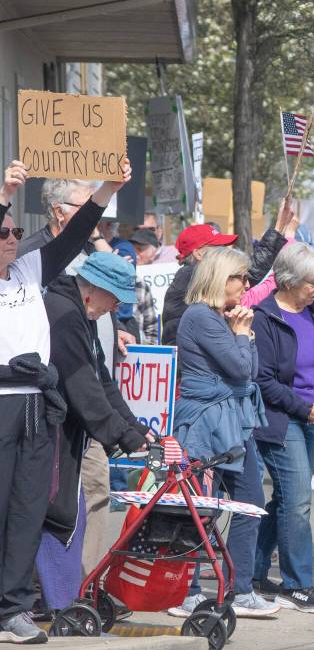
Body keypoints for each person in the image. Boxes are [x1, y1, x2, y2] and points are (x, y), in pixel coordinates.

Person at [0, 158, 129, 645]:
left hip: (37, 405)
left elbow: (75, 236)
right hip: (1, 398)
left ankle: (12, 608)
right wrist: (7, 193)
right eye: (3, 230)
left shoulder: (30, 270)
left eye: (15, 231)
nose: (13, 237)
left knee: (28, 509)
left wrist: (109, 188)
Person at [36, 252, 153, 613]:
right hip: (48, 429)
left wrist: (135, 429)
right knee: (59, 515)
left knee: (73, 511)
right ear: (93, 289)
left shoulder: (81, 311)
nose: (116, 307)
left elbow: (102, 378)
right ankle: (58, 598)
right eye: (114, 298)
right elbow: (83, 389)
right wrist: (125, 438)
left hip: (70, 429)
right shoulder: (64, 312)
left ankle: (72, 594)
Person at [170, 246, 279, 619]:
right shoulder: (200, 316)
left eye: (249, 278)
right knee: (200, 509)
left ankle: (240, 587)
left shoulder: (225, 317)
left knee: (250, 503)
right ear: (220, 278)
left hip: (235, 421)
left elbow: (249, 369)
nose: (247, 285)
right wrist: (243, 334)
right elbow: (240, 366)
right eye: (241, 278)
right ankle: (189, 591)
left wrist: (243, 334)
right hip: (206, 422)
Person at [250, 243, 314, 613]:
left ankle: (251, 570)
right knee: (298, 502)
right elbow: (264, 381)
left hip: (313, 415)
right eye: (312, 283)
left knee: (285, 499)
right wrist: (308, 409)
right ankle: (297, 584)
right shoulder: (264, 318)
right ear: (287, 281)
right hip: (281, 419)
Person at [161, 195, 293, 346]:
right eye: (218, 248)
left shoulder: (194, 276)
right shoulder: (190, 274)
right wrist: (278, 228)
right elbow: (252, 272)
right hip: (186, 366)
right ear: (198, 254)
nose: (224, 253)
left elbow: (248, 275)